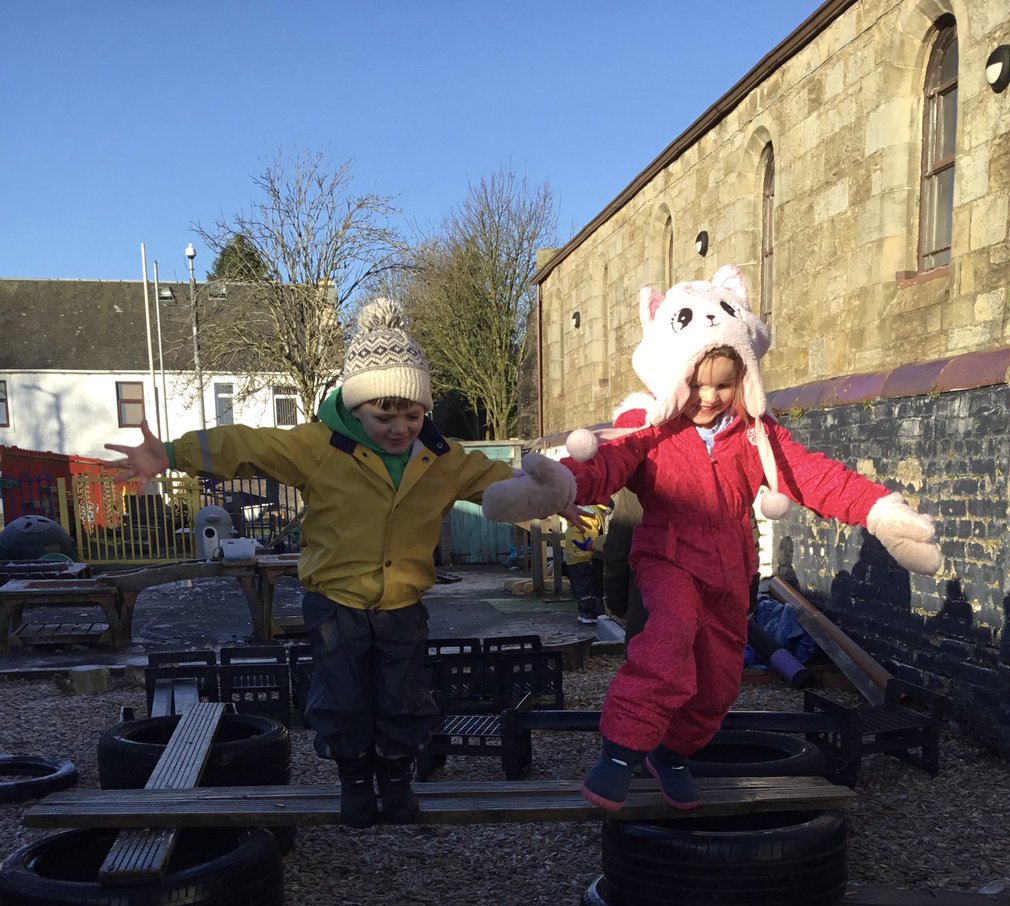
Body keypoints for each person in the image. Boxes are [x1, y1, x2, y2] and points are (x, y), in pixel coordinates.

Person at [105, 298, 577, 828]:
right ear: (355, 409)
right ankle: (355, 782)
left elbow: (500, 485)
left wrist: (553, 498)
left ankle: (396, 783)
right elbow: (249, 445)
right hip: (335, 604)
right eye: (384, 416)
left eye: (413, 415)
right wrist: (169, 453)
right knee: (343, 700)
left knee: (403, 699)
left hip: (402, 604)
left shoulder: (441, 459)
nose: (400, 428)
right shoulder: (318, 448)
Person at [556, 265, 942, 813]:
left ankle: (672, 750)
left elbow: (813, 475)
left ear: (744, 378)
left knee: (718, 682)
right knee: (667, 642)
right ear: (674, 373)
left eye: (723, 383)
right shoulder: (650, 425)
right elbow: (609, 460)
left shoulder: (756, 434)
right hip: (668, 559)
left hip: (730, 571)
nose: (709, 397)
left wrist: (878, 510)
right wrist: (564, 481)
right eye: (697, 382)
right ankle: (620, 752)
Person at [563, 504, 608, 624]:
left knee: (579, 586)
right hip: (584, 555)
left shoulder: (582, 509)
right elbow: (590, 533)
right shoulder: (591, 514)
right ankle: (589, 612)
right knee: (587, 586)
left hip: (574, 556)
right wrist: (594, 546)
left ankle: (583, 611)